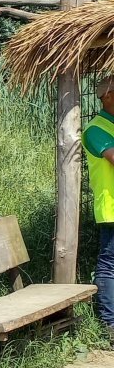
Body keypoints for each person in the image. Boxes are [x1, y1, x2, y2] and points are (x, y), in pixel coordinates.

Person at [82, 76, 114, 329]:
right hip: (111, 208)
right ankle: (110, 323)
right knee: (109, 265)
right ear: (108, 96)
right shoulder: (95, 130)